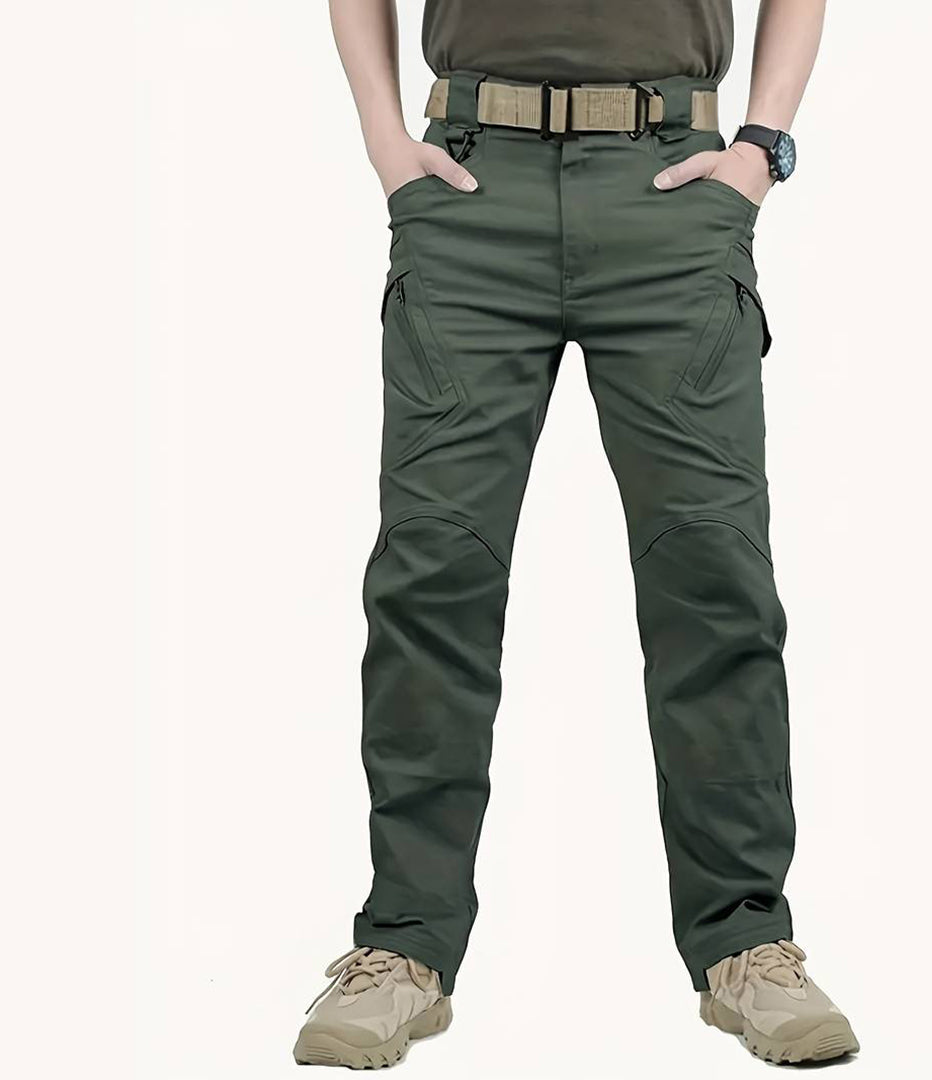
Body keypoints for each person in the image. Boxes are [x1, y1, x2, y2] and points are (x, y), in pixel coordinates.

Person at [294, 0, 858, 1068]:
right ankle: (404, 946)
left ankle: (748, 942)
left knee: (714, 573)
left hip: (672, 187)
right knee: (431, 571)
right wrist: (383, 138)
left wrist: (761, 146)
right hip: (469, 186)